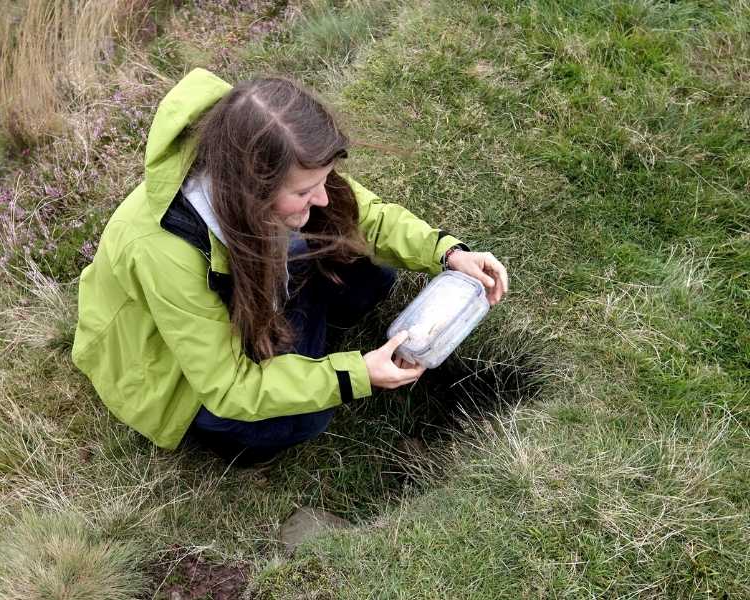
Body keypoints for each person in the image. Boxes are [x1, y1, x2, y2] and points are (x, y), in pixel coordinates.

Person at [71, 68, 508, 466]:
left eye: (322, 181)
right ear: (249, 189)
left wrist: (448, 253)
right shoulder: (164, 250)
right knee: (299, 421)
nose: (319, 199)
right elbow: (228, 387)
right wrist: (354, 374)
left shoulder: (268, 147)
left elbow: (362, 214)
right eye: (303, 193)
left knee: (368, 277)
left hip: (242, 288)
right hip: (171, 373)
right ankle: (291, 362)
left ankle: (296, 343)